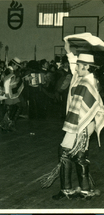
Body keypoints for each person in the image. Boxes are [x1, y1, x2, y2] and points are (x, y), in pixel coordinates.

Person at [39, 38, 104, 200]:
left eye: (80, 66)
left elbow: (94, 105)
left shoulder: (91, 83)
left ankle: (81, 190)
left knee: (75, 155)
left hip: (82, 124)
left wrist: (84, 128)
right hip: (75, 123)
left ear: (87, 67)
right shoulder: (82, 78)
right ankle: (74, 189)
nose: (75, 69)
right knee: (68, 154)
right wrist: (68, 51)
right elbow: (75, 66)